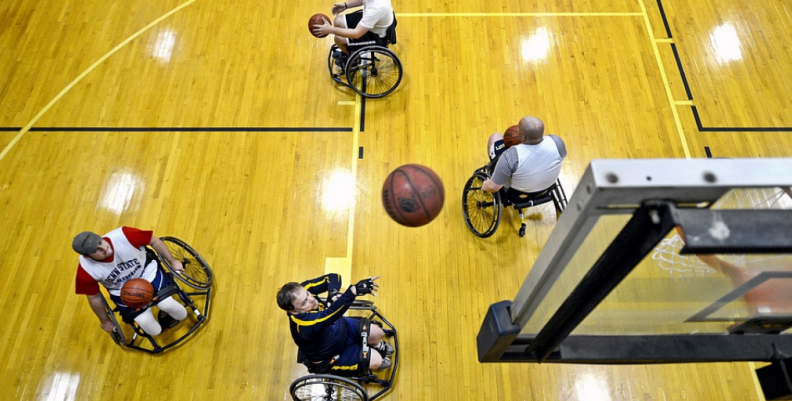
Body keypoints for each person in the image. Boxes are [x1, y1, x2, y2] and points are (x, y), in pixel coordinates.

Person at [72, 227, 188, 336]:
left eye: (100, 242)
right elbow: (94, 297)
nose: (103, 248)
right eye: (96, 250)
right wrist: (105, 321)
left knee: (171, 307)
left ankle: (171, 311)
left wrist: (173, 261)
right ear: (87, 256)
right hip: (122, 291)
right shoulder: (85, 270)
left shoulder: (124, 235)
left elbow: (153, 240)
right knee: (152, 329)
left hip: (147, 273)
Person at [277, 274, 395, 374]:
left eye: (308, 294)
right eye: (304, 303)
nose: (311, 299)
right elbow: (329, 315)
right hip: (332, 353)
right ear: (293, 311)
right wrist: (354, 291)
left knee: (378, 333)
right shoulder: (303, 324)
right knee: (377, 361)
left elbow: (333, 277)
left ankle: (376, 346)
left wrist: (333, 292)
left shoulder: (301, 292)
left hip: (341, 327)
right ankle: (373, 357)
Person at [483, 116, 567, 194]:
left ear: (523, 138)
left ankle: (496, 171)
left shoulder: (511, 156)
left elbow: (493, 187)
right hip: (546, 187)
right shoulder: (557, 142)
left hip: (517, 192)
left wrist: (485, 185)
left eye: (518, 128)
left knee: (495, 136)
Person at [311, 0, 394, 59]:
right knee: (338, 21)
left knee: (338, 39)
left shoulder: (377, 8)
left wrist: (330, 30)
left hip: (376, 35)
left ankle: (352, 57)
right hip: (373, 21)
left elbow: (356, 34)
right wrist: (346, 5)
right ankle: (350, 49)